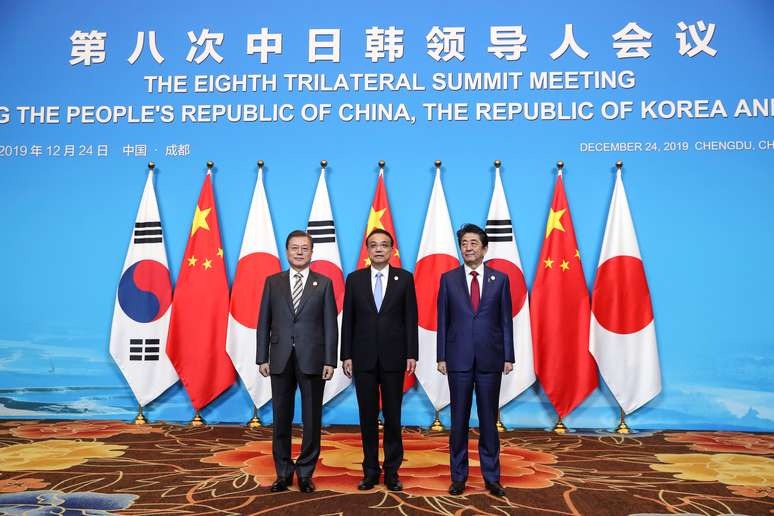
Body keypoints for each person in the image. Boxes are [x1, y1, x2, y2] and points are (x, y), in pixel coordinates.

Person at [256, 230, 338, 493]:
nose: (300, 252)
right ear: (287, 251)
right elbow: (263, 323)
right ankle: (283, 472)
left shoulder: (323, 284)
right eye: (295, 248)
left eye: (305, 248)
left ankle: (305, 472)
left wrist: (330, 360)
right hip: (279, 359)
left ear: (312, 252)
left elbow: (330, 325)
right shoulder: (273, 282)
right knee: (281, 418)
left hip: (313, 359)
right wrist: (262, 356)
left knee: (312, 418)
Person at [437, 223, 514, 497]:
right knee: (458, 421)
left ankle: (492, 477)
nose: (468, 248)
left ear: (484, 248)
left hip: (491, 360)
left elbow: (506, 320)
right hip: (457, 359)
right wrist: (441, 355)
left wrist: (509, 355)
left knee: (488, 421)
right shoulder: (448, 279)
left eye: (473, 243)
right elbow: (443, 320)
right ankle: (458, 477)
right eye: (464, 243)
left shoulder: (500, 279)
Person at [341, 228, 418, 492]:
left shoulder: (405, 279)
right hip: (362, 358)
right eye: (373, 245)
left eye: (384, 245)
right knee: (367, 416)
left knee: (393, 416)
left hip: (394, 358)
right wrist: (346, 355)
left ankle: (393, 472)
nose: (378, 249)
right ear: (367, 249)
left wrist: (412, 353)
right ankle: (370, 471)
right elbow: (348, 320)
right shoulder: (354, 279)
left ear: (391, 249)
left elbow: (411, 319)